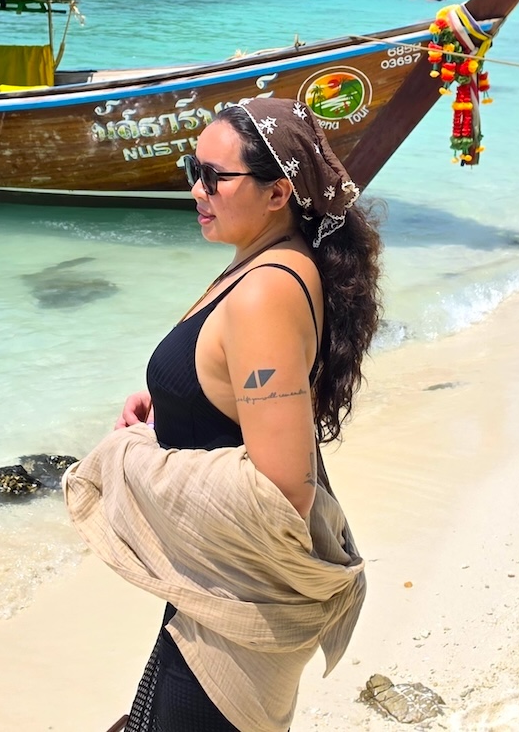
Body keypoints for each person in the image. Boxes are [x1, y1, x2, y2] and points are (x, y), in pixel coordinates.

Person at [81, 99, 381, 731]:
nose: (197, 189)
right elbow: (244, 389)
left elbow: (283, 489)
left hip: (241, 605)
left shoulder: (269, 288)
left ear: (278, 193)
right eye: (194, 169)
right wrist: (173, 399)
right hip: (219, 589)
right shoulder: (261, 259)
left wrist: (130, 460)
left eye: (216, 177)